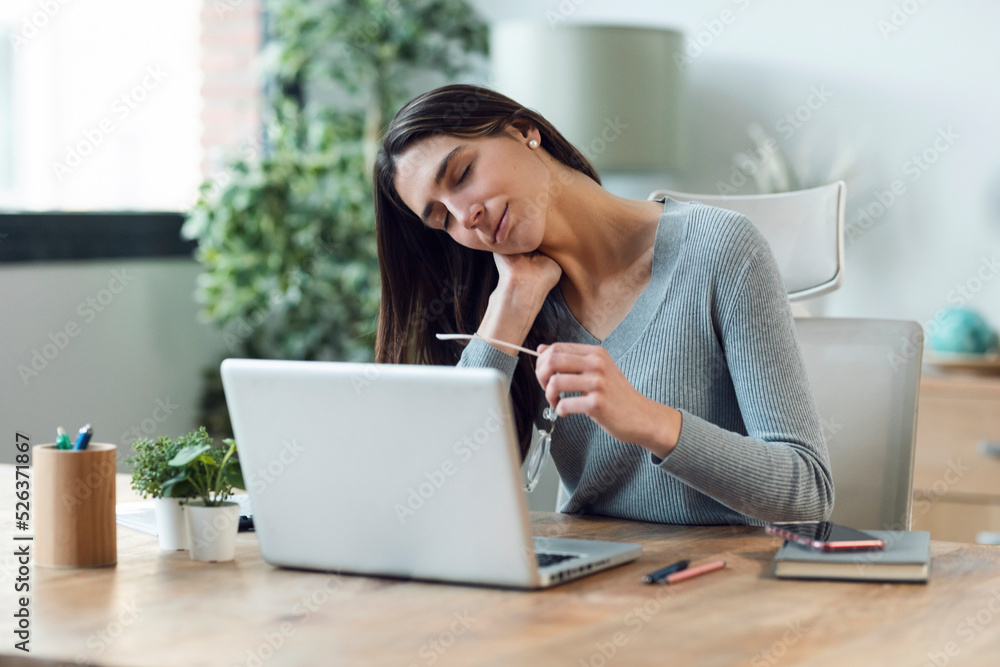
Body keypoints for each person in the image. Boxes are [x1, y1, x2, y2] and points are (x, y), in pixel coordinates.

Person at [373, 84, 834, 526]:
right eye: (440, 218)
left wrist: (646, 419)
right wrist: (511, 306)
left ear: (523, 130)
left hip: (720, 582)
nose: (464, 216)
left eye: (461, 174)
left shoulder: (720, 249)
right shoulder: (518, 303)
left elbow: (807, 491)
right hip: (588, 580)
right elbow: (444, 494)